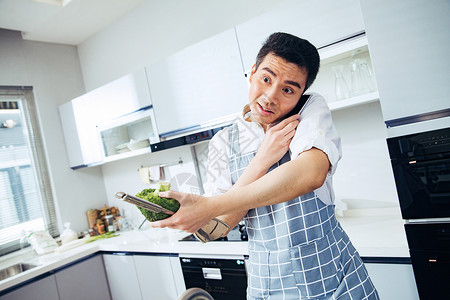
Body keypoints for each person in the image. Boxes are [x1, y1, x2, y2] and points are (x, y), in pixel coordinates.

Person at [152, 32, 379, 300]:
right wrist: (261, 160)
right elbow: (220, 226)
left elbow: (311, 173)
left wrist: (209, 206)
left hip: (334, 281)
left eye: (288, 89)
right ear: (252, 72)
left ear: (300, 94)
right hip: (269, 285)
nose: (270, 96)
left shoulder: (309, 110)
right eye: (266, 78)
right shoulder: (222, 142)